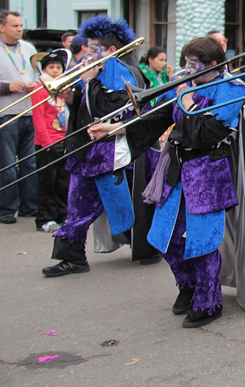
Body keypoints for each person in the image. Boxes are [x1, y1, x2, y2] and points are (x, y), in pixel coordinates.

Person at [92, 36, 245, 327]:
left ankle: (209, 302)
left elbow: (207, 132)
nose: (187, 67)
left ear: (212, 64)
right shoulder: (185, 83)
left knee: (203, 243)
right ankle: (188, 285)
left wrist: (186, 98)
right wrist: (115, 129)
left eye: (193, 63)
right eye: (186, 61)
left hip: (209, 175)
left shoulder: (232, 89)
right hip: (176, 169)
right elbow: (156, 118)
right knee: (163, 238)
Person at [42, 16, 158, 276]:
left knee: (120, 202)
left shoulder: (122, 71)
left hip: (113, 151)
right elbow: (87, 108)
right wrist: (70, 97)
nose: (88, 52)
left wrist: (89, 81)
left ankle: (147, 246)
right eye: (88, 46)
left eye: (94, 48)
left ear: (111, 50)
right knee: (79, 203)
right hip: (89, 149)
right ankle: (73, 256)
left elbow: (114, 110)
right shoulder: (98, 69)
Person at [0, 10, 38, 224]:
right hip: (6, 113)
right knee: (7, 165)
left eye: (21, 25)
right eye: (14, 26)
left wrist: (35, 83)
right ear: (1, 27)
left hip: (29, 112)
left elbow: (39, 75)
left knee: (29, 163)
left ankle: (29, 206)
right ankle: (6, 209)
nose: (19, 29)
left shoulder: (28, 48)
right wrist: (7, 87)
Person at [31, 50, 70, 232]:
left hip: (63, 140)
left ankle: (62, 215)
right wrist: (47, 143)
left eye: (58, 67)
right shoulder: (40, 89)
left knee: (63, 181)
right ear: (44, 70)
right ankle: (45, 218)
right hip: (46, 143)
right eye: (51, 67)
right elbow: (39, 119)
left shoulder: (63, 89)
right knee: (47, 182)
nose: (55, 70)